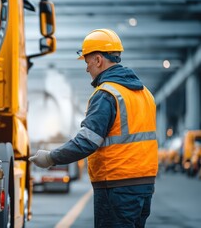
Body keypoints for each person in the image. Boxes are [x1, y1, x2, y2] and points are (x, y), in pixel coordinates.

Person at [29, 28, 158, 228]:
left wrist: (51, 158)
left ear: (98, 60)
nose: (86, 68)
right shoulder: (145, 94)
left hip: (116, 186)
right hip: (144, 186)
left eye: (87, 61)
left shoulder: (106, 94)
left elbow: (87, 142)